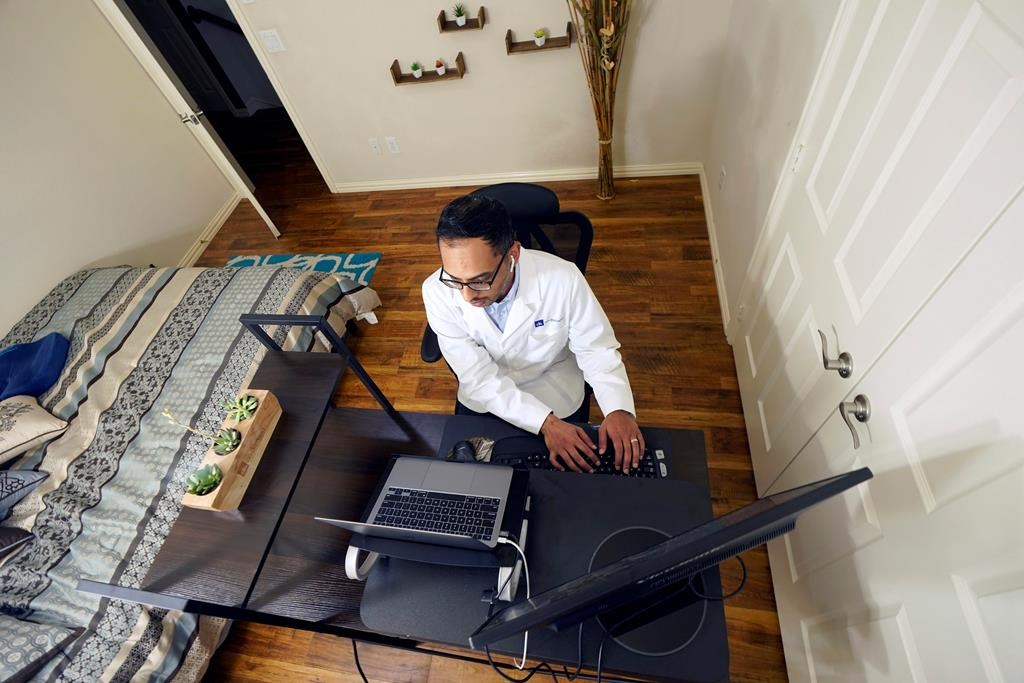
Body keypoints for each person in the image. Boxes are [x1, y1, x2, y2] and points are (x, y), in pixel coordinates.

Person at [421, 194, 645, 474]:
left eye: (481, 280)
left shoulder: (563, 279)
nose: (466, 296)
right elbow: (477, 377)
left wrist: (618, 409)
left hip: (554, 390)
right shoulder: (436, 291)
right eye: (455, 279)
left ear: (512, 254)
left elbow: (596, 348)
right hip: (485, 401)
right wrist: (545, 423)